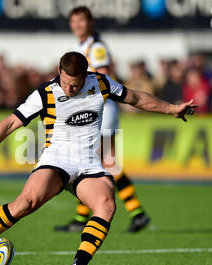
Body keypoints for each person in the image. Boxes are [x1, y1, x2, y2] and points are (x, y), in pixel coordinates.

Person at [0, 52, 196, 265]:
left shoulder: (101, 83)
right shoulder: (45, 92)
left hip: (89, 163)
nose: (68, 88)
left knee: (106, 205)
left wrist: (173, 109)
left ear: (85, 76)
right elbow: (10, 123)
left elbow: (137, 97)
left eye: (74, 84)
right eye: (64, 82)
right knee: (25, 203)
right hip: (56, 160)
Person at [55, 6, 150, 233]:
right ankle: (84, 218)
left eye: (81, 21)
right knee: (90, 160)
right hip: (96, 111)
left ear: (90, 23)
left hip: (102, 110)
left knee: (107, 161)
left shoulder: (96, 48)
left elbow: (103, 77)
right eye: (74, 21)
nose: (77, 25)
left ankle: (137, 212)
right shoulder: (83, 47)